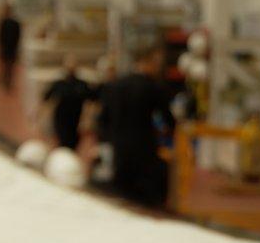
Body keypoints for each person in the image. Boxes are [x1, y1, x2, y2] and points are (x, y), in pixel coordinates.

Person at [97, 44, 175, 208]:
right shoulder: (153, 87)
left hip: (119, 146)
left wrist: (106, 141)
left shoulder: (115, 86)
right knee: (144, 197)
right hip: (144, 148)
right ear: (147, 62)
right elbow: (168, 120)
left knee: (121, 196)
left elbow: (103, 119)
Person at [40, 55, 94, 151]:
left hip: (76, 120)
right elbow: (47, 99)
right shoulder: (59, 84)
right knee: (63, 144)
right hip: (61, 120)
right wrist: (43, 119)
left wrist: (87, 120)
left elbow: (91, 101)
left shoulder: (82, 84)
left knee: (74, 145)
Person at [0, 4, 21, 92]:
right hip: (5, 47)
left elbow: (18, 36)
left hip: (12, 47)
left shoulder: (15, 23)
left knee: (10, 66)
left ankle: (8, 82)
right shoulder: (3, 22)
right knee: (4, 65)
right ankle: (3, 80)